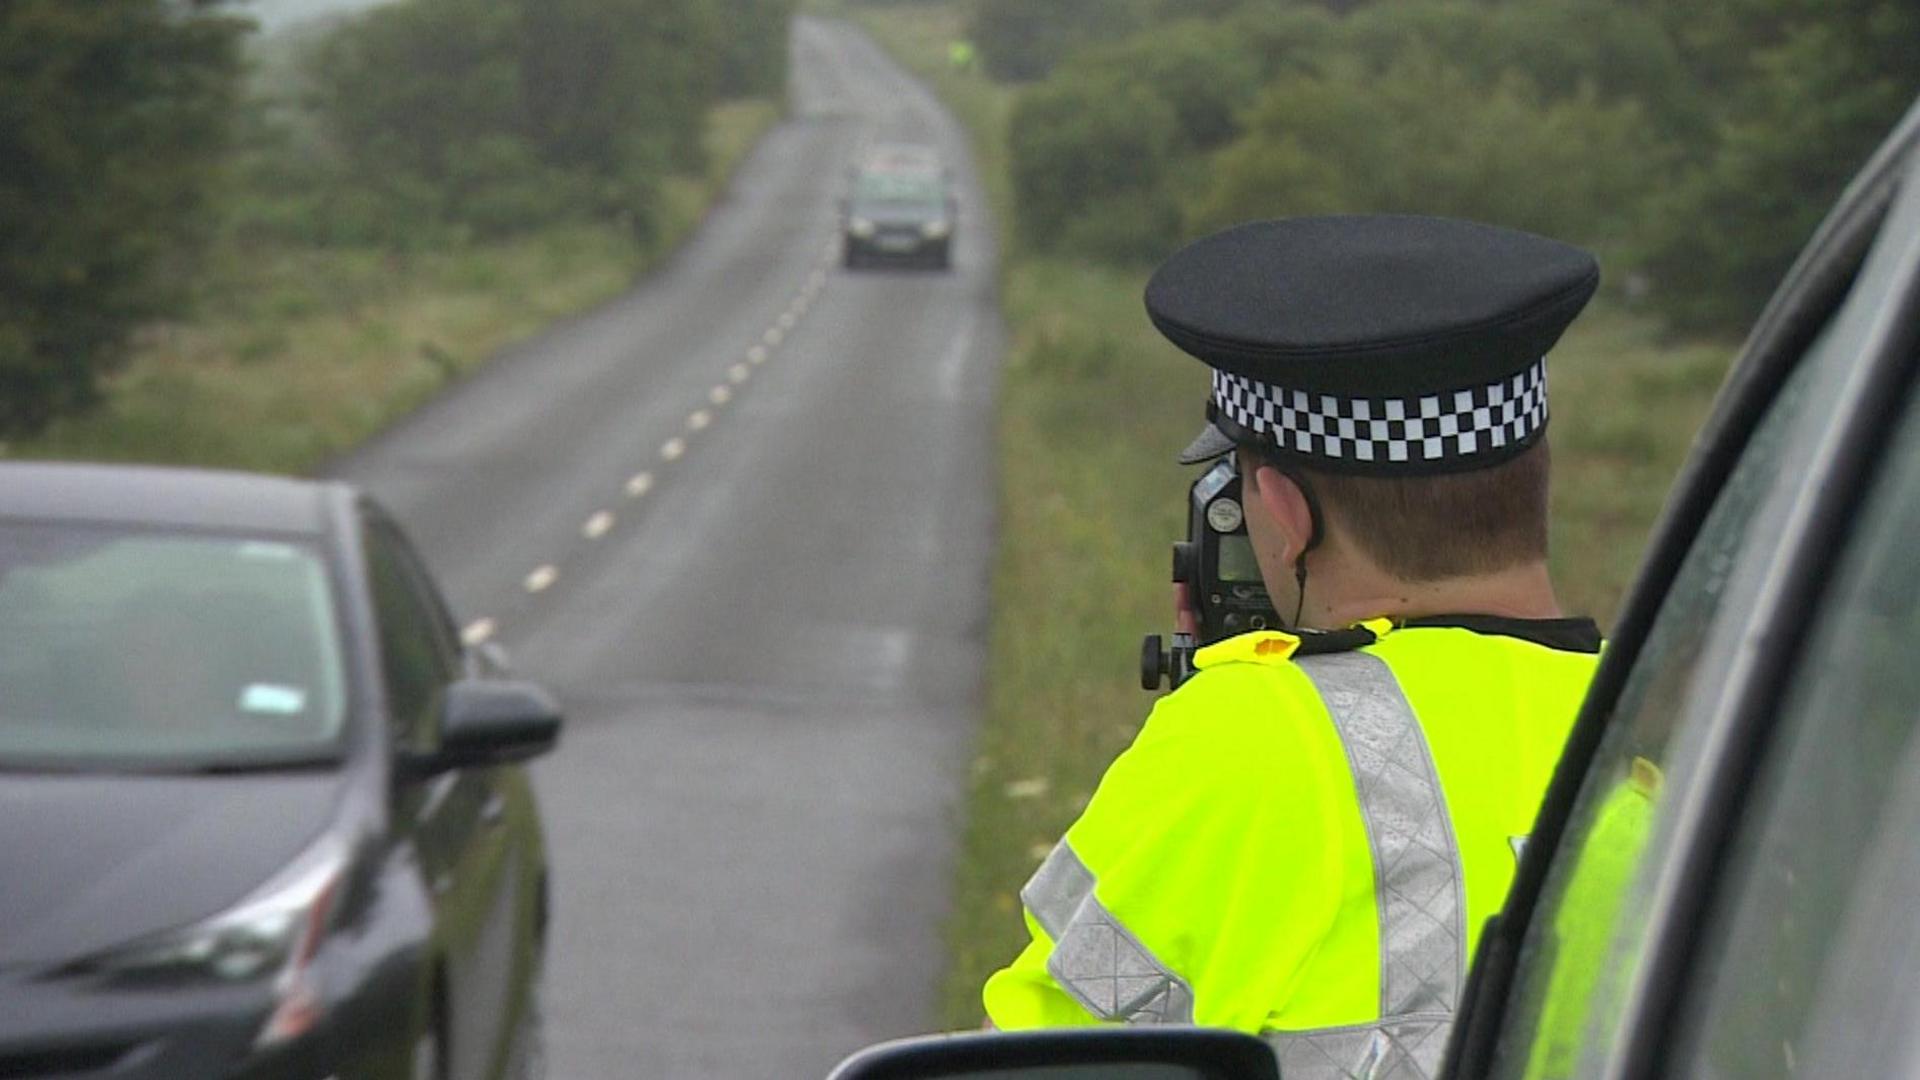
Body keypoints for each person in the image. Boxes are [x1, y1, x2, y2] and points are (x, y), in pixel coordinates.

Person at [980, 215, 1607, 1078]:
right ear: (1531, 479)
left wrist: (1228, 703)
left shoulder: (1253, 742)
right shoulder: (1675, 733)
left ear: (1285, 514)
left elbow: (1045, 1057)